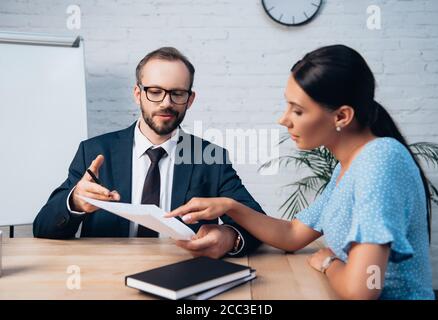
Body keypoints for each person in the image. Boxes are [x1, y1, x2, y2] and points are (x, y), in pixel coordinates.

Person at [166, 45, 435, 299]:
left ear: (341, 116)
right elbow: (292, 235)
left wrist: (328, 262)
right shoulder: (349, 165)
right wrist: (230, 206)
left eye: (297, 110)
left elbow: (362, 289)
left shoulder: (379, 162)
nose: (284, 119)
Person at [33, 47, 266, 258]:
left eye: (177, 93)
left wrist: (229, 237)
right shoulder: (94, 151)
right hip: (105, 276)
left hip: (182, 273)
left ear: (190, 99)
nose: (166, 103)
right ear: (137, 93)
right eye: (155, 91)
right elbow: (42, 228)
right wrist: (74, 201)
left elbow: (258, 223)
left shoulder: (211, 157)